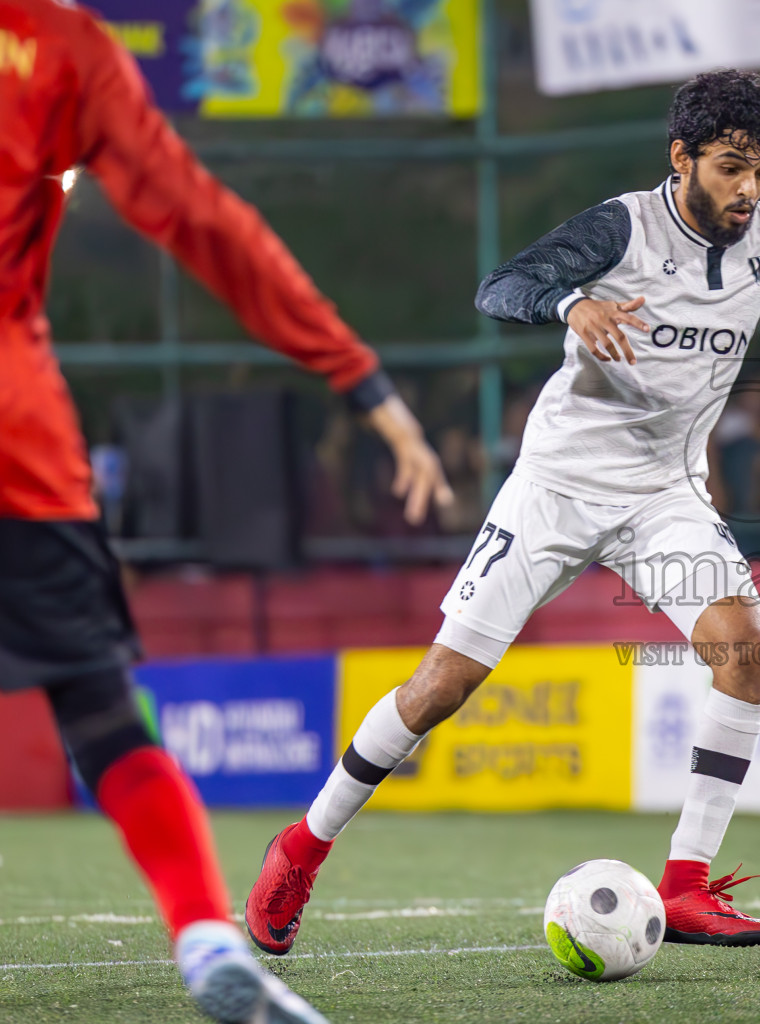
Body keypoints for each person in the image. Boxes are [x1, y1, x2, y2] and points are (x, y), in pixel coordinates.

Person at [246, 68, 760, 954]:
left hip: (664, 494)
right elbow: (500, 287)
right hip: (557, 484)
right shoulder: (622, 226)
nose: (748, 190)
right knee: (443, 685)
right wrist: (571, 299)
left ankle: (689, 886)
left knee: (746, 655)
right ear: (682, 158)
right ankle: (302, 847)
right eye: (730, 168)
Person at [0, 1, 452, 1021]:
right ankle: (207, 940)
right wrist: (359, 378)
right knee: (99, 710)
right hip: (12, 432)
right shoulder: (64, 47)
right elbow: (203, 222)